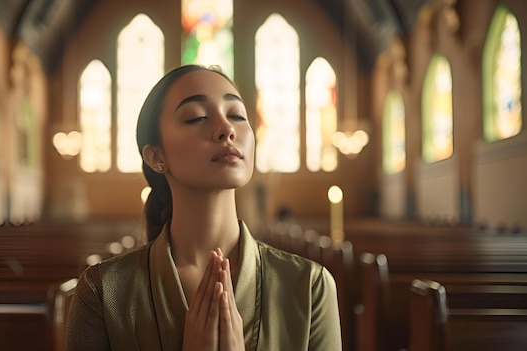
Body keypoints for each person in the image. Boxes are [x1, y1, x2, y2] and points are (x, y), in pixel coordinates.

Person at [65, 64, 342, 350]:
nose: (227, 130)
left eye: (237, 115)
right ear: (156, 155)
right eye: (197, 117)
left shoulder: (309, 286)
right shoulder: (103, 292)